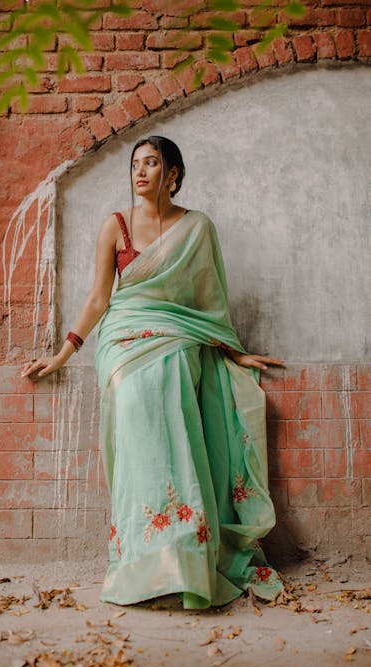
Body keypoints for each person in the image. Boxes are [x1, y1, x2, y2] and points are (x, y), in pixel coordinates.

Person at [22, 135, 286, 609]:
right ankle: (139, 559)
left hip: (180, 337)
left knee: (178, 410)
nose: (139, 172)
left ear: (173, 175)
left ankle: (185, 554)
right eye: (135, 164)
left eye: (151, 163)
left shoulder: (197, 228)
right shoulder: (116, 226)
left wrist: (233, 351)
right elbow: (99, 299)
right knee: (135, 412)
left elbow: (208, 302)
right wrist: (62, 354)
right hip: (123, 339)